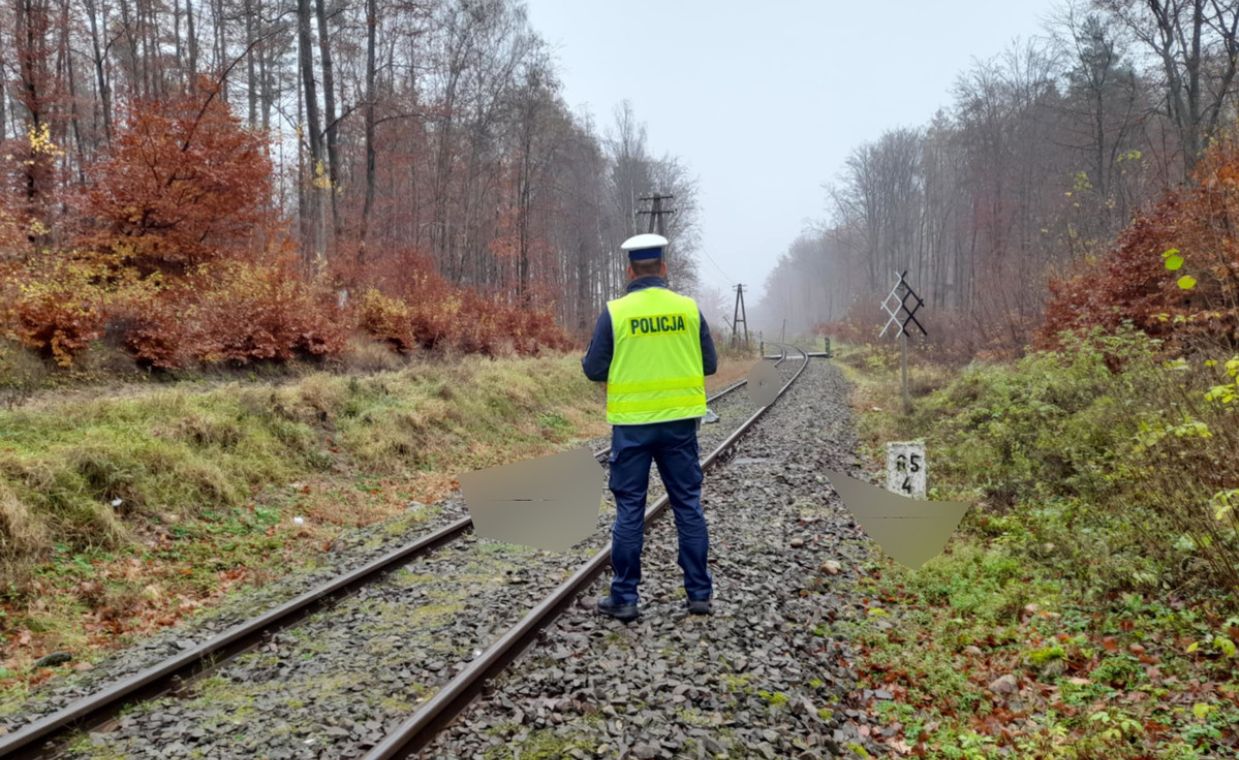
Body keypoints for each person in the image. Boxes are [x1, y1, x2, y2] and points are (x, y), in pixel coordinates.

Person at [581, 233, 718, 622]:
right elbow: (709, 363)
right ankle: (699, 595)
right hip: (679, 424)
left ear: (629, 271)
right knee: (687, 506)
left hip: (633, 427)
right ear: (663, 267)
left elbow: (593, 369)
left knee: (629, 511)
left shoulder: (616, 312)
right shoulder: (688, 310)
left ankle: (624, 598)